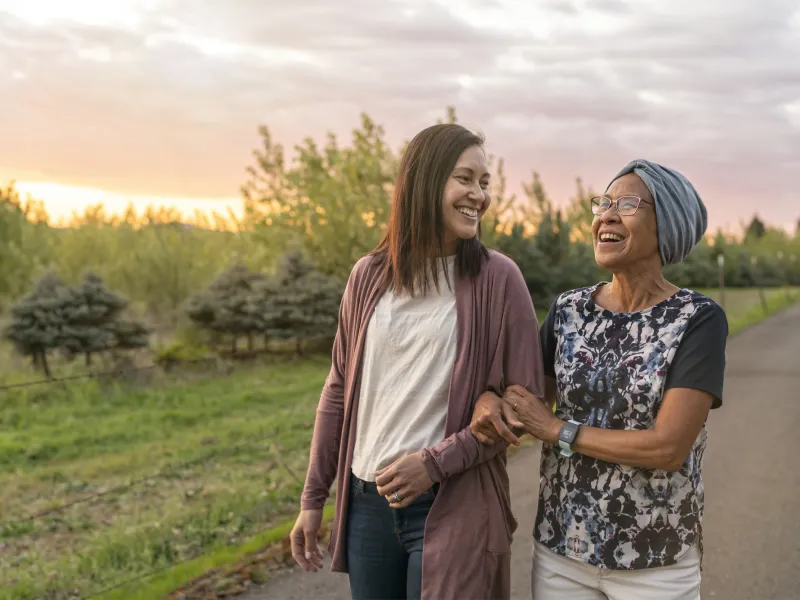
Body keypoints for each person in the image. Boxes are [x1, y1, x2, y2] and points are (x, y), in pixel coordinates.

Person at [289, 123, 546, 600]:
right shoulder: (368, 276)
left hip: (453, 501)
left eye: (484, 182)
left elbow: (524, 404)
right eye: (464, 179)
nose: (479, 195)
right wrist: (313, 499)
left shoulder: (498, 279)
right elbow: (338, 390)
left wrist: (434, 463)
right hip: (367, 505)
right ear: (425, 182)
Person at [471, 159, 728, 600]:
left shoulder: (697, 320)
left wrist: (557, 429)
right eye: (603, 202)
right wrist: (489, 402)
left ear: (666, 224)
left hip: (657, 561)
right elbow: (527, 402)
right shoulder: (568, 310)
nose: (606, 214)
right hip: (562, 554)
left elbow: (668, 447)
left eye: (627, 203)